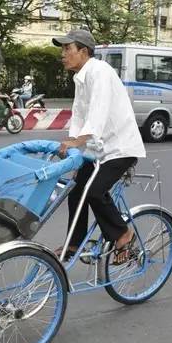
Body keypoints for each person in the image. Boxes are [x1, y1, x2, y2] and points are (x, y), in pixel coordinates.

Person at [52, 29, 146, 265]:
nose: (63, 54)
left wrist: (76, 142)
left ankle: (123, 234)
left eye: (67, 49)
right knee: (75, 189)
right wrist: (72, 145)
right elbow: (79, 114)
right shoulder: (81, 77)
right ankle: (75, 242)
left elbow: (98, 114)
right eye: (62, 49)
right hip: (99, 148)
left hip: (121, 147)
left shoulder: (100, 72)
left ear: (83, 51)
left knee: (94, 191)